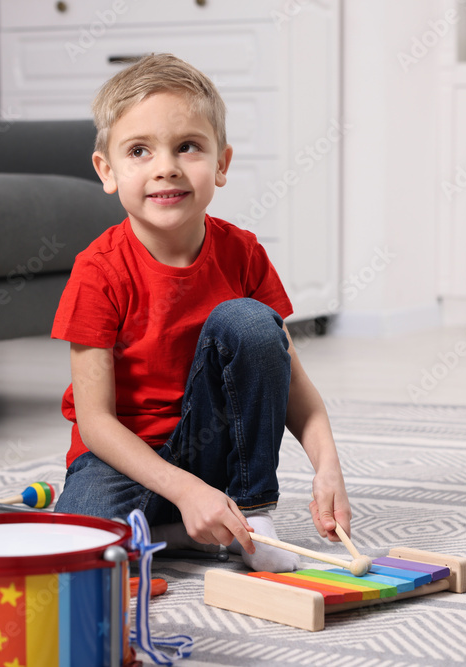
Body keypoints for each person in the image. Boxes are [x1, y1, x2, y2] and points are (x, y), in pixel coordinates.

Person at [51, 53, 350, 572]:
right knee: (79, 551)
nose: (165, 166)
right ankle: (176, 530)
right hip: (126, 458)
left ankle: (251, 515)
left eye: (187, 147)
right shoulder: (97, 270)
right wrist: (185, 490)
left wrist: (328, 467)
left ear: (222, 164)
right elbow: (97, 422)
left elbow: (295, 388)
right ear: (107, 171)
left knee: (250, 322)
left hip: (218, 456)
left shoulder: (245, 253)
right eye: (139, 151)